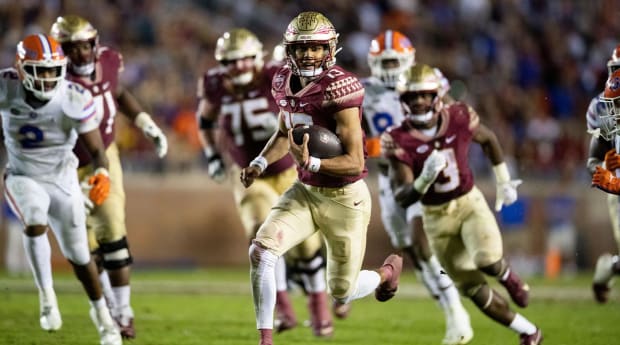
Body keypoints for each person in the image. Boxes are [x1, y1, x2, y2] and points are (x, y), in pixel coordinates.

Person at [240, 11, 403, 345]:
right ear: (289, 50)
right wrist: (259, 162)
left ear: (330, 48)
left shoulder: (340, 88)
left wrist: (312, 163)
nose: (308, 55)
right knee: (261, 251)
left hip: (345, 198)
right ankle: (265, 339)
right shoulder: (283, 79)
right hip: (306, 191)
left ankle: (386, 274)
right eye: (301, 48)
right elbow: (285, 132)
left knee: (341, 291)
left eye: (315, 47)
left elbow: (355, 162)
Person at [382, 63, 542, 345]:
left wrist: (504, 181)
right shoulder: (398, 139)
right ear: (402, 100)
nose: (418, 101)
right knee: (473, 291)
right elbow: (402, 195)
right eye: (411, 96)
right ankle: (529, 331)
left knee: (486, 260)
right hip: (435, 217)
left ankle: (508, 276)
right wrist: (423, 180)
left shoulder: (458, 116)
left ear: (437, 95)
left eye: (424, 94)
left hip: (468, 203)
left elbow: (489, 139)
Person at [195, 28, 332, 336]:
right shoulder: (215, 84)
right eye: (231, 61)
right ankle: (283, 309)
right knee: (261, 234)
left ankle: (318, 307)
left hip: (289, 170)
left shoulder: (278, 76)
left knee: (307, 245)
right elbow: (204, 119)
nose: (239, 67)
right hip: (249, 174)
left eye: (244, 59)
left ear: (257, 56)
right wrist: (213, 156)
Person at [50, 15, 169, 339]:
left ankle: (123, 311)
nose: (81, 54)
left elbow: (119, 92)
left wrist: (145, 123)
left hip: (103, 155)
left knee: (113, 231)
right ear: (60, 50)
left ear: (95, 43)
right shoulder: (50, 77)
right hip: (61, 165)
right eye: (71, 48)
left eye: (86, 45)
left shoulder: (110, 60)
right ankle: (106, 307)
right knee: (82, 248)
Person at [1, 33, 122, 345]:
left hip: (62, 177)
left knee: (81, 256)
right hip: (23, 175)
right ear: (21, 67)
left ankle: (105, 322)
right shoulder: (6, 87)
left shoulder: (73, 97)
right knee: (34, 217)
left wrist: (102, 175)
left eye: (52, 70)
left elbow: (97, 151)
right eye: (39, 70)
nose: (46, 77)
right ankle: (47, 298)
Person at [363, 30, 472, 345]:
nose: (388, 68)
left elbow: (451, 117)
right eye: (383, 62)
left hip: (425, 171)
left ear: (409, 59)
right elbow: (354, 138)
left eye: (394, 61)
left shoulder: (426, 82)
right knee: (409, 247)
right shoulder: (364, 91)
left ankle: (455, 311)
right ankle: (448, 305)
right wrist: (372, 146)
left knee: (420, 241)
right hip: (389, 178)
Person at [587, 47, 620, 302]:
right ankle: (608, 269)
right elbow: (594, 160)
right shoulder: (607, 111)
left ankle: (609, 268)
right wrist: (605, 176)